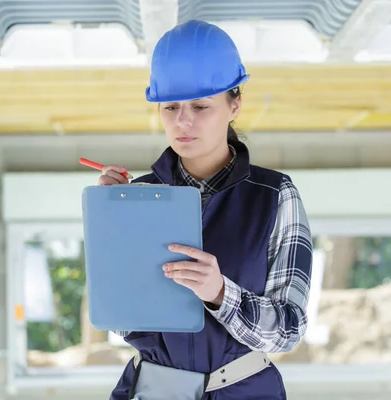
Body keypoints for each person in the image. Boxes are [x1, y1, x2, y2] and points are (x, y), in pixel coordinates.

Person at [98, 19, 313, 400]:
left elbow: (288, 330)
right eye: (171, 106)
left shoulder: (275, 195)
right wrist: (110, 221)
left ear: (235, 104)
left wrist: (220, 294)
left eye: (201, 106)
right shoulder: (139, 195)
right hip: (153, 391)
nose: (183, 120)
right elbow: (122, 324)